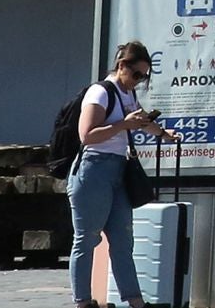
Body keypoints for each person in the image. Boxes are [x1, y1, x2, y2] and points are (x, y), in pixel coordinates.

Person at [67, 40, 177, 308]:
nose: (139, 81)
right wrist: (122, 125)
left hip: (118, 170)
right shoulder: (101, 92)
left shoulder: (128, 95)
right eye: (136, 74)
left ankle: (135, 301)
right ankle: (82, 301)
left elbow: (140, 123)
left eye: (144, 76)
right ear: (121, 66)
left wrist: (163, 134)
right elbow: (87, 135)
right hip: (93, 169)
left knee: (123, 239)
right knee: (87, 237)